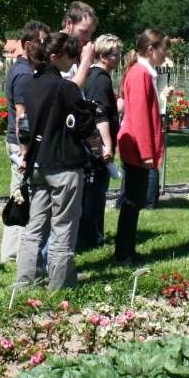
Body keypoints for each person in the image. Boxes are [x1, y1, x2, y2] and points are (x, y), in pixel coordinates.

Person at [16, 33, 93, 290]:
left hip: (38, 163)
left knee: (34, 227)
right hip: (64, 164)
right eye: (70, 57)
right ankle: (60, 286)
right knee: (63, 228)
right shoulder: (64, 88)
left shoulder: (29, 86)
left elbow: (23, 127)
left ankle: (26, 281)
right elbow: (82, 121)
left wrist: (24, 156)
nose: (72, 63)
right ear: (55, 57)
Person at [115, 29, 170, 264]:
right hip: (137, 149)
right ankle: (123, 253)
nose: (165, 55)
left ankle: (128, 250)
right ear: (150, 50)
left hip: (137, 149)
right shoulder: (140, 74)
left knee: (134, 201)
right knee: (132, 202)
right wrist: (146, 153)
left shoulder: (143, 72)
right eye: (163, 50)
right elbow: (138, 116)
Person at [0, 20, 49, 263]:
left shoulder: (24, 70)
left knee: (19, 192)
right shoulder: (23, 74)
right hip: (20, 143)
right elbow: (22, 117)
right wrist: (24, 152)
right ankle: (14, 253)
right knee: (21, 196)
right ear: (29, 44)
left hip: (20, 142)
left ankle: (12, 252)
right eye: (42, 42)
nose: (46, 47)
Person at [77, 33, 122, 251]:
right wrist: (108, 145)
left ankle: (92, 234)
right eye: (116, 53)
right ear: (104, 56)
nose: (119, 57)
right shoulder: (100, 79)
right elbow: (99, 113)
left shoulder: (93, 77)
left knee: (93, 192)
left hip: (91, 144)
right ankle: (91, 236)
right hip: (96, 146)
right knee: (94, 193)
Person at [61, 1, 97, 88]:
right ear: (69, 24)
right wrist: (86, 61)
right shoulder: (54, 49)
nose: (88, 38)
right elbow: (69, 89)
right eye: (84, 32)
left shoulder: (76, 52)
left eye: (90, 33)